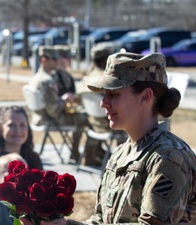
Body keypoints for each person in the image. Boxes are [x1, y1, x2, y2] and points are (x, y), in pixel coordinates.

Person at [83, 52, 196, 224]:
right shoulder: (121, 153)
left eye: (114, 94)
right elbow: (100, 220)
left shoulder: (169, 159)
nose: (103, 103)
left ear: (145, 96)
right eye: (104, 94)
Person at [27, 46, 87, 162]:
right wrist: (64, 100)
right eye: (54, 59)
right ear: (44, 60)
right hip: (50, 120)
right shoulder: (47, 80)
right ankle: (80, 154)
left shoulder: (36, 77)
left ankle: (77, 153)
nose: (57, 61)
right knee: (86, 118)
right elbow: (53, 109)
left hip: (39, 118)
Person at [0, 105, 43, 195]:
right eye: (11, 125)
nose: (18, 130)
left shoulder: (33, 159)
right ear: (1, 129)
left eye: (22, 125)